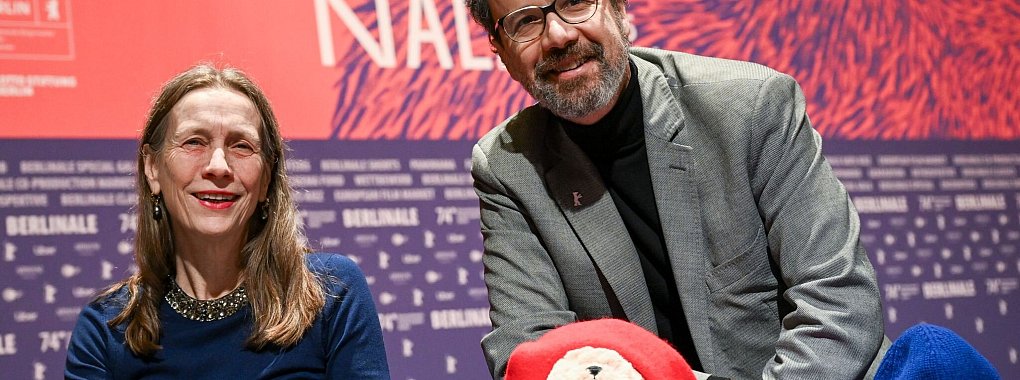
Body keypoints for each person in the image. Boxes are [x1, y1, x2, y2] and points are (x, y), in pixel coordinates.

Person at [465, 0, 890, 379]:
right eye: (524, 22)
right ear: (500, 50)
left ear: (618, 8)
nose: (558, 35)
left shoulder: (752, 106)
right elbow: (527, 347)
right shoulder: (507, 167)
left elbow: (838, 301)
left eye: (576, 3)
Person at [65, 64, 390, 379]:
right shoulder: (105, 331)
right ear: (153, 168)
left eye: (241, 146)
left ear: (265, 178)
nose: (218, 166)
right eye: (194, 142)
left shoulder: (331, 294)